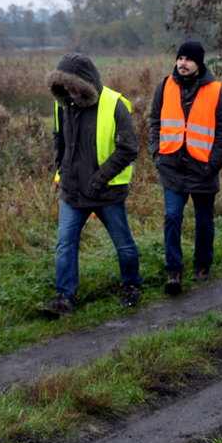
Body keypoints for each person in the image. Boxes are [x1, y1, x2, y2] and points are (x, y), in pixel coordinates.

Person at [42, 52, 143, 317]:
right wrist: (61, 170)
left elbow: (129, 149)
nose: (70, 91)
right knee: (65, 244)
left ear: (86, 81)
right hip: (72, 192)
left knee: (123, 244)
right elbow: (59, 139)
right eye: (64, 85)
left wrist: (100, 178)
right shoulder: (62, 104)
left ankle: (132, 286)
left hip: (107, 191)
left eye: (74, 85)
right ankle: (65, 297)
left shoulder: (114, 105)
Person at [148, 40, 222, 295]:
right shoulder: (164, 86)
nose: (182, 63)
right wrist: (157, 153)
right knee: (172, 217)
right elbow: (154, 121)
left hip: (202, 167)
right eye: (180, 58)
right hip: (171, 166)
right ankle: (173, 271)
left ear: (199, 63)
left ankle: (202, 264)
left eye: (188, 59)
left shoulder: (217, 92)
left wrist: (213, 164)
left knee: (204, 221)